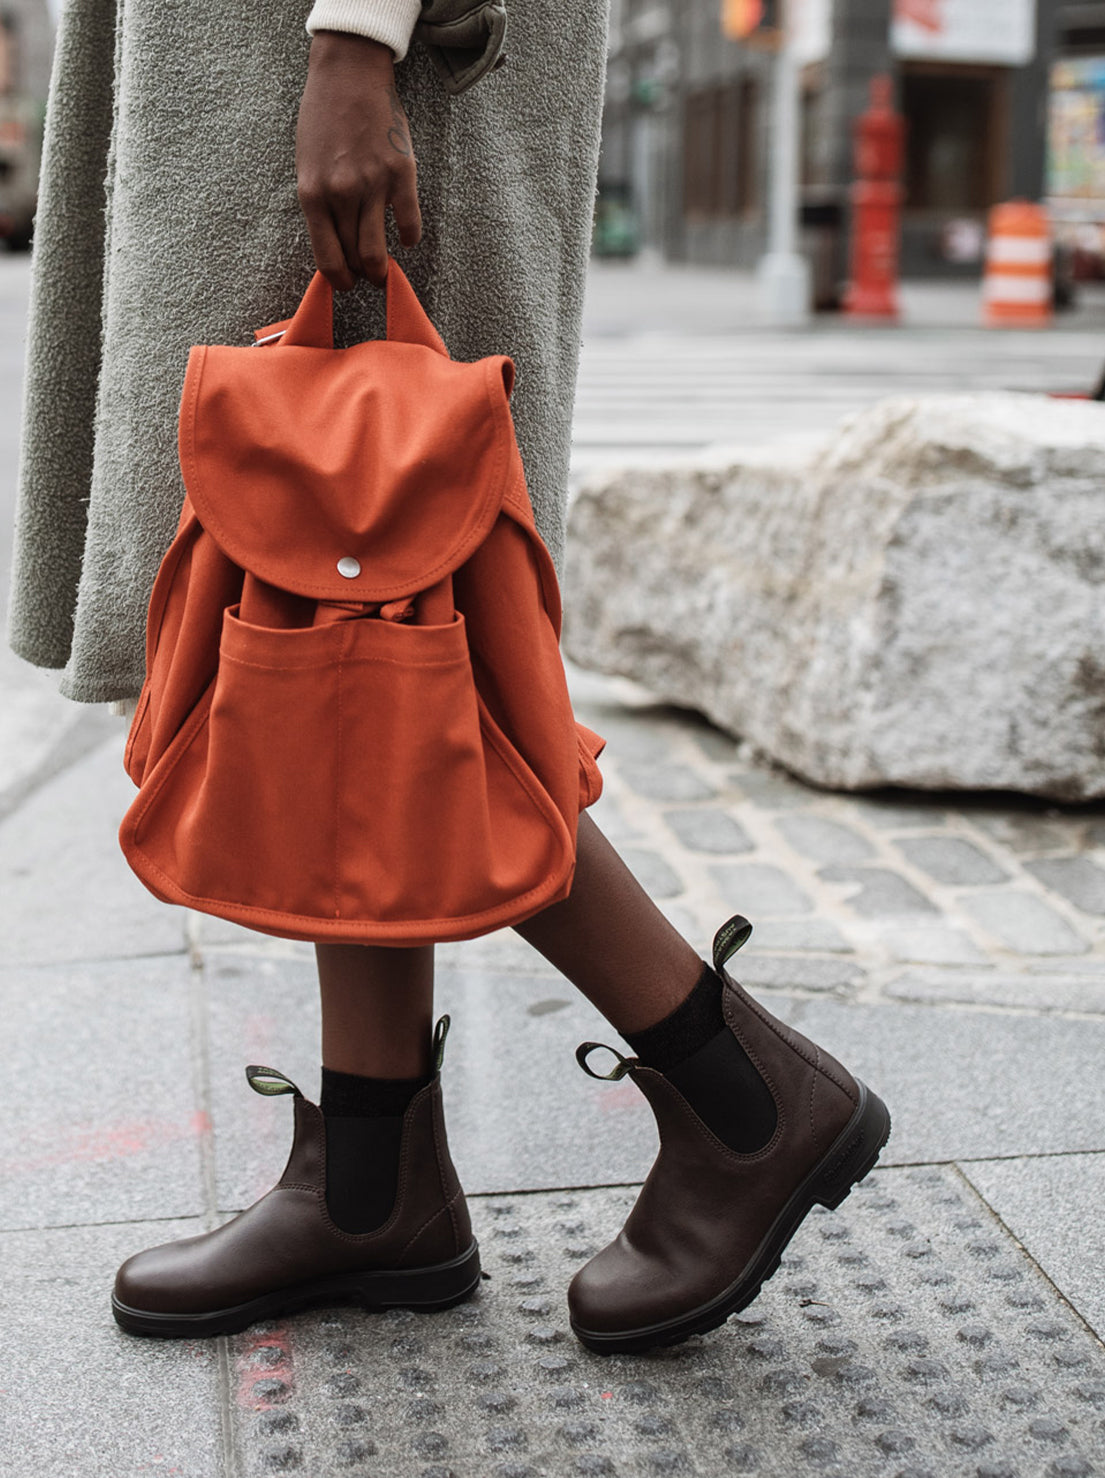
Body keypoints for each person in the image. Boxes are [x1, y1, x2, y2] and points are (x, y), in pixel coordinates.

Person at [9, 0, 889, 1355]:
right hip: (270, 62)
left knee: (397, 626)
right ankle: (376, 1186)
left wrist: (356, 41)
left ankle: (745, 1096)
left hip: (352, 63)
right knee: (336, 641)